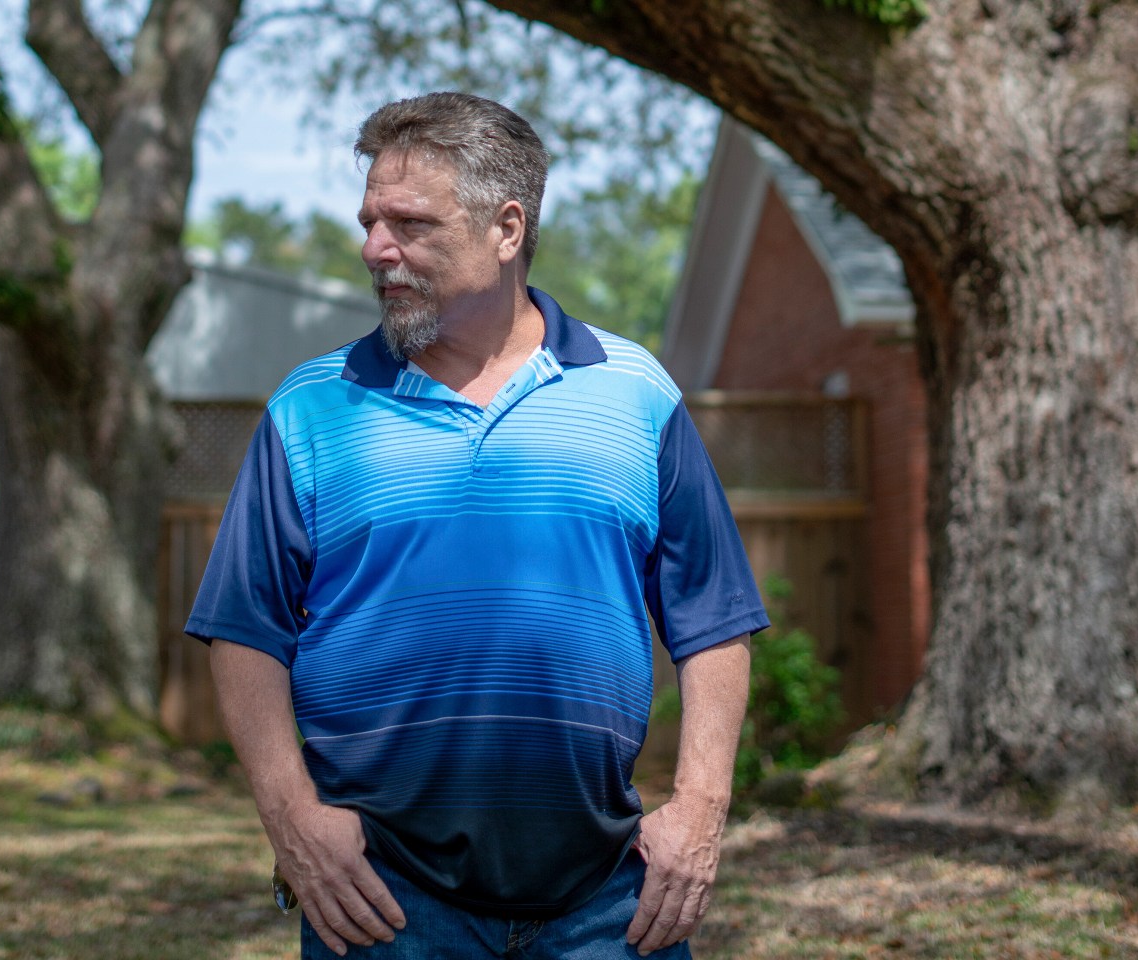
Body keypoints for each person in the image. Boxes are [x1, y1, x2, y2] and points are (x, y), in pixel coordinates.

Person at [185, 91, 769, 959]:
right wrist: (293, 819)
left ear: (507, 229)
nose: (375, 249)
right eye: (370, 222)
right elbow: (245, 630)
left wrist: (700, 810)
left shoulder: (634, 392)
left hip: (610, 899)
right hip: (380, 899)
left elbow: (713, 619)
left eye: (410, 224)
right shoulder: (311, 407)